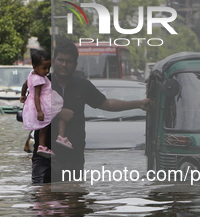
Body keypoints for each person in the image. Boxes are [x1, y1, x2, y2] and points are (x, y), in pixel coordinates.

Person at [32, 42, 152, 183]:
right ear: (53, 61)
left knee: (73, 199)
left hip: (73, 156)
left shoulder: (83, 86)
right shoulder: (42, 83)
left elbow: (107, 103)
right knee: (42, 198)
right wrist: (58, 112)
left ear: (75, 64)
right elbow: (30, 109)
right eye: (60, 60)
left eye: (69, 61)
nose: (64, 65)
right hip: (45, 157)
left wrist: (139, 103)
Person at [21, 50, 72, 157]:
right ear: (35, 67)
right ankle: (61, 136)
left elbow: (25, 85)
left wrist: (23, 95)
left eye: (48, 68)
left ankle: (42, 145)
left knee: (45, 125)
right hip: (44, 102)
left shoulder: (31, 74)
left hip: (38, 102)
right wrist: (39, 111)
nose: (47, 71)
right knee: (59, 114)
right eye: (44, 68)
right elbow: (37, 95)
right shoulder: (39, 79)